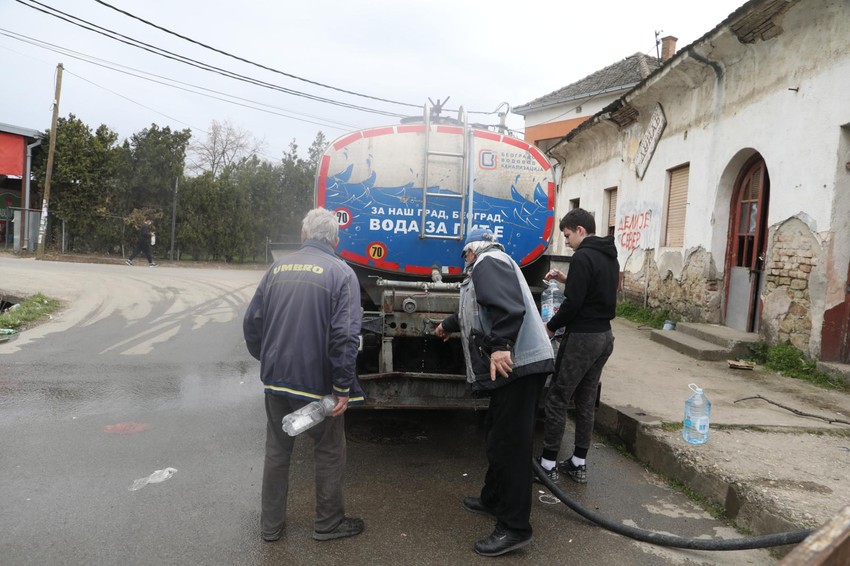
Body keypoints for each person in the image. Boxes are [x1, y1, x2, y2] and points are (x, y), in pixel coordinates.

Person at [242, 207, 366, 543]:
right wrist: (342, 387)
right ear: (336, 240)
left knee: (278, 450)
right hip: (317, 385)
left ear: (303, 234)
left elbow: (252, 322)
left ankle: (270, 527)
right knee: (328, 449)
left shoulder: (277, 268)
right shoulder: (342, 273)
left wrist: (267, 360)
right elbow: (344, 336)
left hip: (276, 380)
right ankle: (327, 523)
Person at [435, 228, 554, 557]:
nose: (464, 263)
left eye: (464, 256)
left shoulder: (488, 261)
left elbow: (507, 307)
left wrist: (501, 345)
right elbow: (480, 310)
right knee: (496, 434)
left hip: (519, 364)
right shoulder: (492, 265)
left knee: (511, 446)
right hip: (515, 367)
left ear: (471, 250)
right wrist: (449, 324)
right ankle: (493, 498)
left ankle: (515, 528)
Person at [537, 208, 618, 484]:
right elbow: (594, 289)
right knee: (584, 399)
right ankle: (578, 462)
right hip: (605, 337)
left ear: (581, 230)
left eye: (568, 235)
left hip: (582, 337)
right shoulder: (609, 255)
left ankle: (547, 464)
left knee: (558, 397)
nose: (567, 241)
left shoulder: (583, 256)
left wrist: (549, 327)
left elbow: (573, 304)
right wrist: (565, 279)